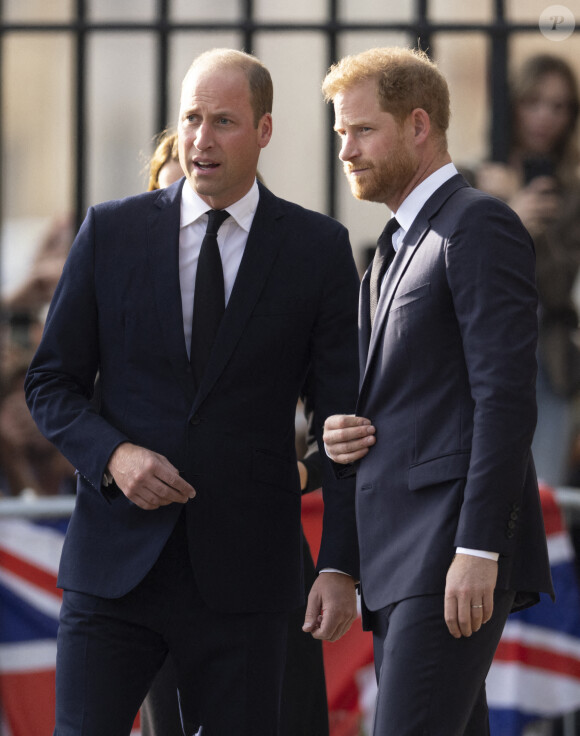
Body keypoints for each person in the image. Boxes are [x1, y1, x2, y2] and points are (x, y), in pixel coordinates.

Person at [25, 48, 360, 736]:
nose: (201, 140)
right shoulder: (111, 231)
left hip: (246, 577)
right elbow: (51, 383)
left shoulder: (315, 249)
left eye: (224, 122)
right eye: (191, 119)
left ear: (265, 130)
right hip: (114, 570)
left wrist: (340, 566)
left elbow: (342, 416)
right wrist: (115, 456)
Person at [321, 46, 554, 736]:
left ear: (418, 125)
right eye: (339, 135)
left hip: (449, 553)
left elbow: (506, 397)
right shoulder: (392, 249)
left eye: (361, 131)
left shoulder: (477, 223)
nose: (346, 150)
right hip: (398, 563)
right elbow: (405, 398)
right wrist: (343, 430)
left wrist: (479, 547)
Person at [139, 131, 330, 736]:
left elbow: (341, 413)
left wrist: (297, 474)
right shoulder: (124, 285)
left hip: (263, 560)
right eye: (173, 192)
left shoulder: (291, 270)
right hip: (155, 560)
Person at [475, 54, 580, 488]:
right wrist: (505, 213)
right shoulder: (473, 180)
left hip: (547, 361)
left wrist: (532, 224)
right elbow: (460, 269)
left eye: (559, 107)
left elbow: (561, 289)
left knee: (542, 494)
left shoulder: (573, 193)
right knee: (477, 490)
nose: (545, 117)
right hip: (477, 357)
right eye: (534, 101)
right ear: (513, 104)